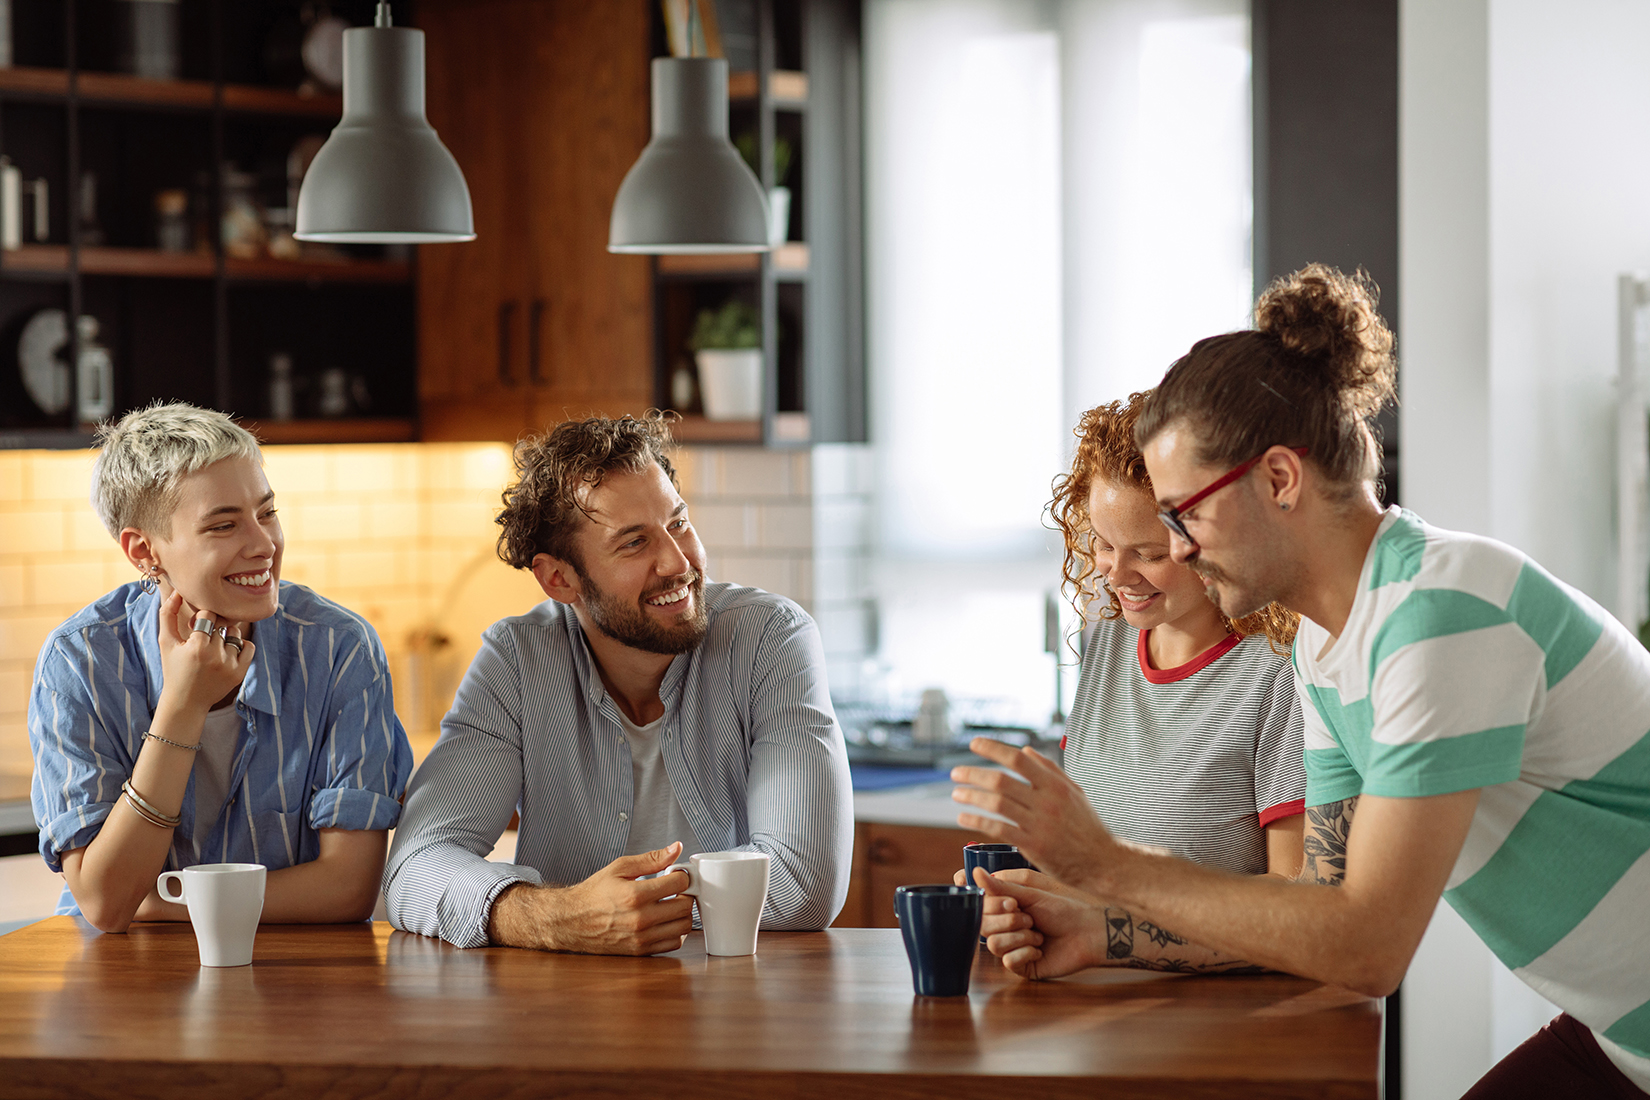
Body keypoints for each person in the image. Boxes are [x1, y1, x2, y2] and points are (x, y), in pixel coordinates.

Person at [953, 265, 1650, 1098]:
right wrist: (1105, 933)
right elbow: (1317, 907)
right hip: (1621, 1036)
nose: (1173, 549)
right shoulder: (1327, 649)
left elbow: (1369, 949)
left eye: (1184, 515)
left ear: (1279, 479)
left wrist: (1104, 866)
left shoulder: (1439, 614)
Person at [382, 413, 853, 955]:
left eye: (678, 523)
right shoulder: (517, 662)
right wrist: (557, 918)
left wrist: (626, 910)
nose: (679, 564)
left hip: (739, 1009)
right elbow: (415, 868)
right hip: (572, 1016)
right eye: (634, 543)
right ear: (559, 578)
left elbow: (805, 885)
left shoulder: (771, 639)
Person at [29, 402, 413, 932]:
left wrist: (159, 904)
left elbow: (348, 888)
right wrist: (182, 706)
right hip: (129, 986)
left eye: (267, 512)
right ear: (144, 551)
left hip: (295, 983)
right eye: (224, 525)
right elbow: (107, 905)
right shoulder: (79, 663)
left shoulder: (339, 649)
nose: (264, 545)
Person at [956, 394, 1307, 972]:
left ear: (1210, 536)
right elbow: (1096, 878)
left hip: (1226, 1023)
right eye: (1102, 544)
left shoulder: (1277, 672)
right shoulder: (1109, 644)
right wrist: (1028, 901)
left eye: (1147, 552)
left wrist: (1098, 925)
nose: (1116, 576)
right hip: (1096, 1009)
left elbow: (1299, 908)